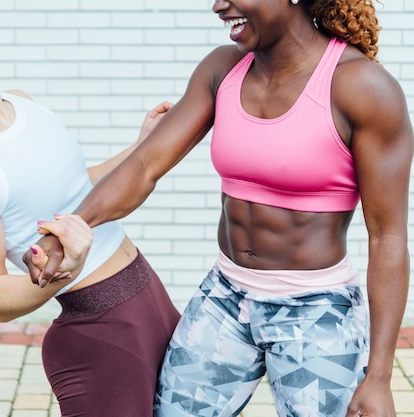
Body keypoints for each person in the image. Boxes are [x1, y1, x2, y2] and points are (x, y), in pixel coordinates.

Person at [25, 0, 414, 416]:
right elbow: (145, 164)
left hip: (316, 311)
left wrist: (379, 377)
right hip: (225, 297)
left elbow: (387, 236)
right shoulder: (223, 68)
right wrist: (72, 227)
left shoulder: (362, 87)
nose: (218, 5)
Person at [0, 0, 181, 416]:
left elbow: (77, 192)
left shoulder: (24, 104)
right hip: (102, 338)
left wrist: (140, 147)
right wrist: (64, 270)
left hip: (147, 299)